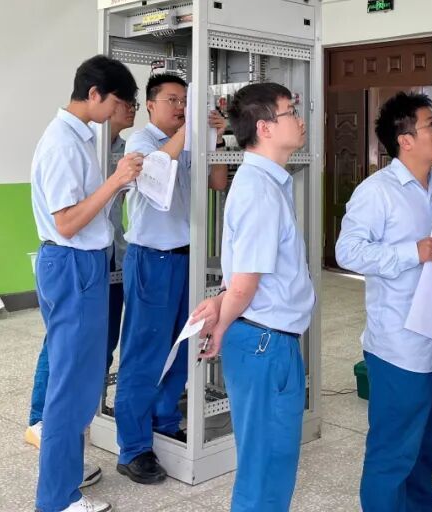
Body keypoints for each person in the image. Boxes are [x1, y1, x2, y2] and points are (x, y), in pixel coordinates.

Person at [193, 82, 315, 512]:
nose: (300, 120)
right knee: (265, 466)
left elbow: (243, 275)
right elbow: (245, 284)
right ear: (264, 127)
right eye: (290, 112)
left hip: (266, 337)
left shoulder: (267, 182)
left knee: (269, 461)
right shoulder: (259, 190)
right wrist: (222, 322)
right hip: (265, 342)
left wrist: (222, 304)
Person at [30, 55, 144, 512]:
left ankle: (66, 476)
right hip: (73, 263)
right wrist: (115, 182)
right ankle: (57, 499)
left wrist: (119, 184)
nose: (119, 111)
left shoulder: (80, 137)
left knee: (79, 380)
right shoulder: (62, 143)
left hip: (85, 264)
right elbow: (68, 222)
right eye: (118, 101)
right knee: (71, 386)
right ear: (94, 93)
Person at [335, 92, 432, 512]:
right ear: (405, 139)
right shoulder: (377, 192)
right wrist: (411, 252)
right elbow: (347, 252)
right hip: (399, 347)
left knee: (427, 451)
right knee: (393, 454)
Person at [114, 73, 228, 484]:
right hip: (152, 259)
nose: (180, 108)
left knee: (183, 345)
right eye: (173, 100)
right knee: (144, 351)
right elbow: (157, 171)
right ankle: (133, 447)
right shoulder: (141, 142)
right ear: (150, 105)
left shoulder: (188, 139)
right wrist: (190, 129)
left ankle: (165, 421)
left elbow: (217, 183)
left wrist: (217, 139)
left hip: (187, 259)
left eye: (185, 101)